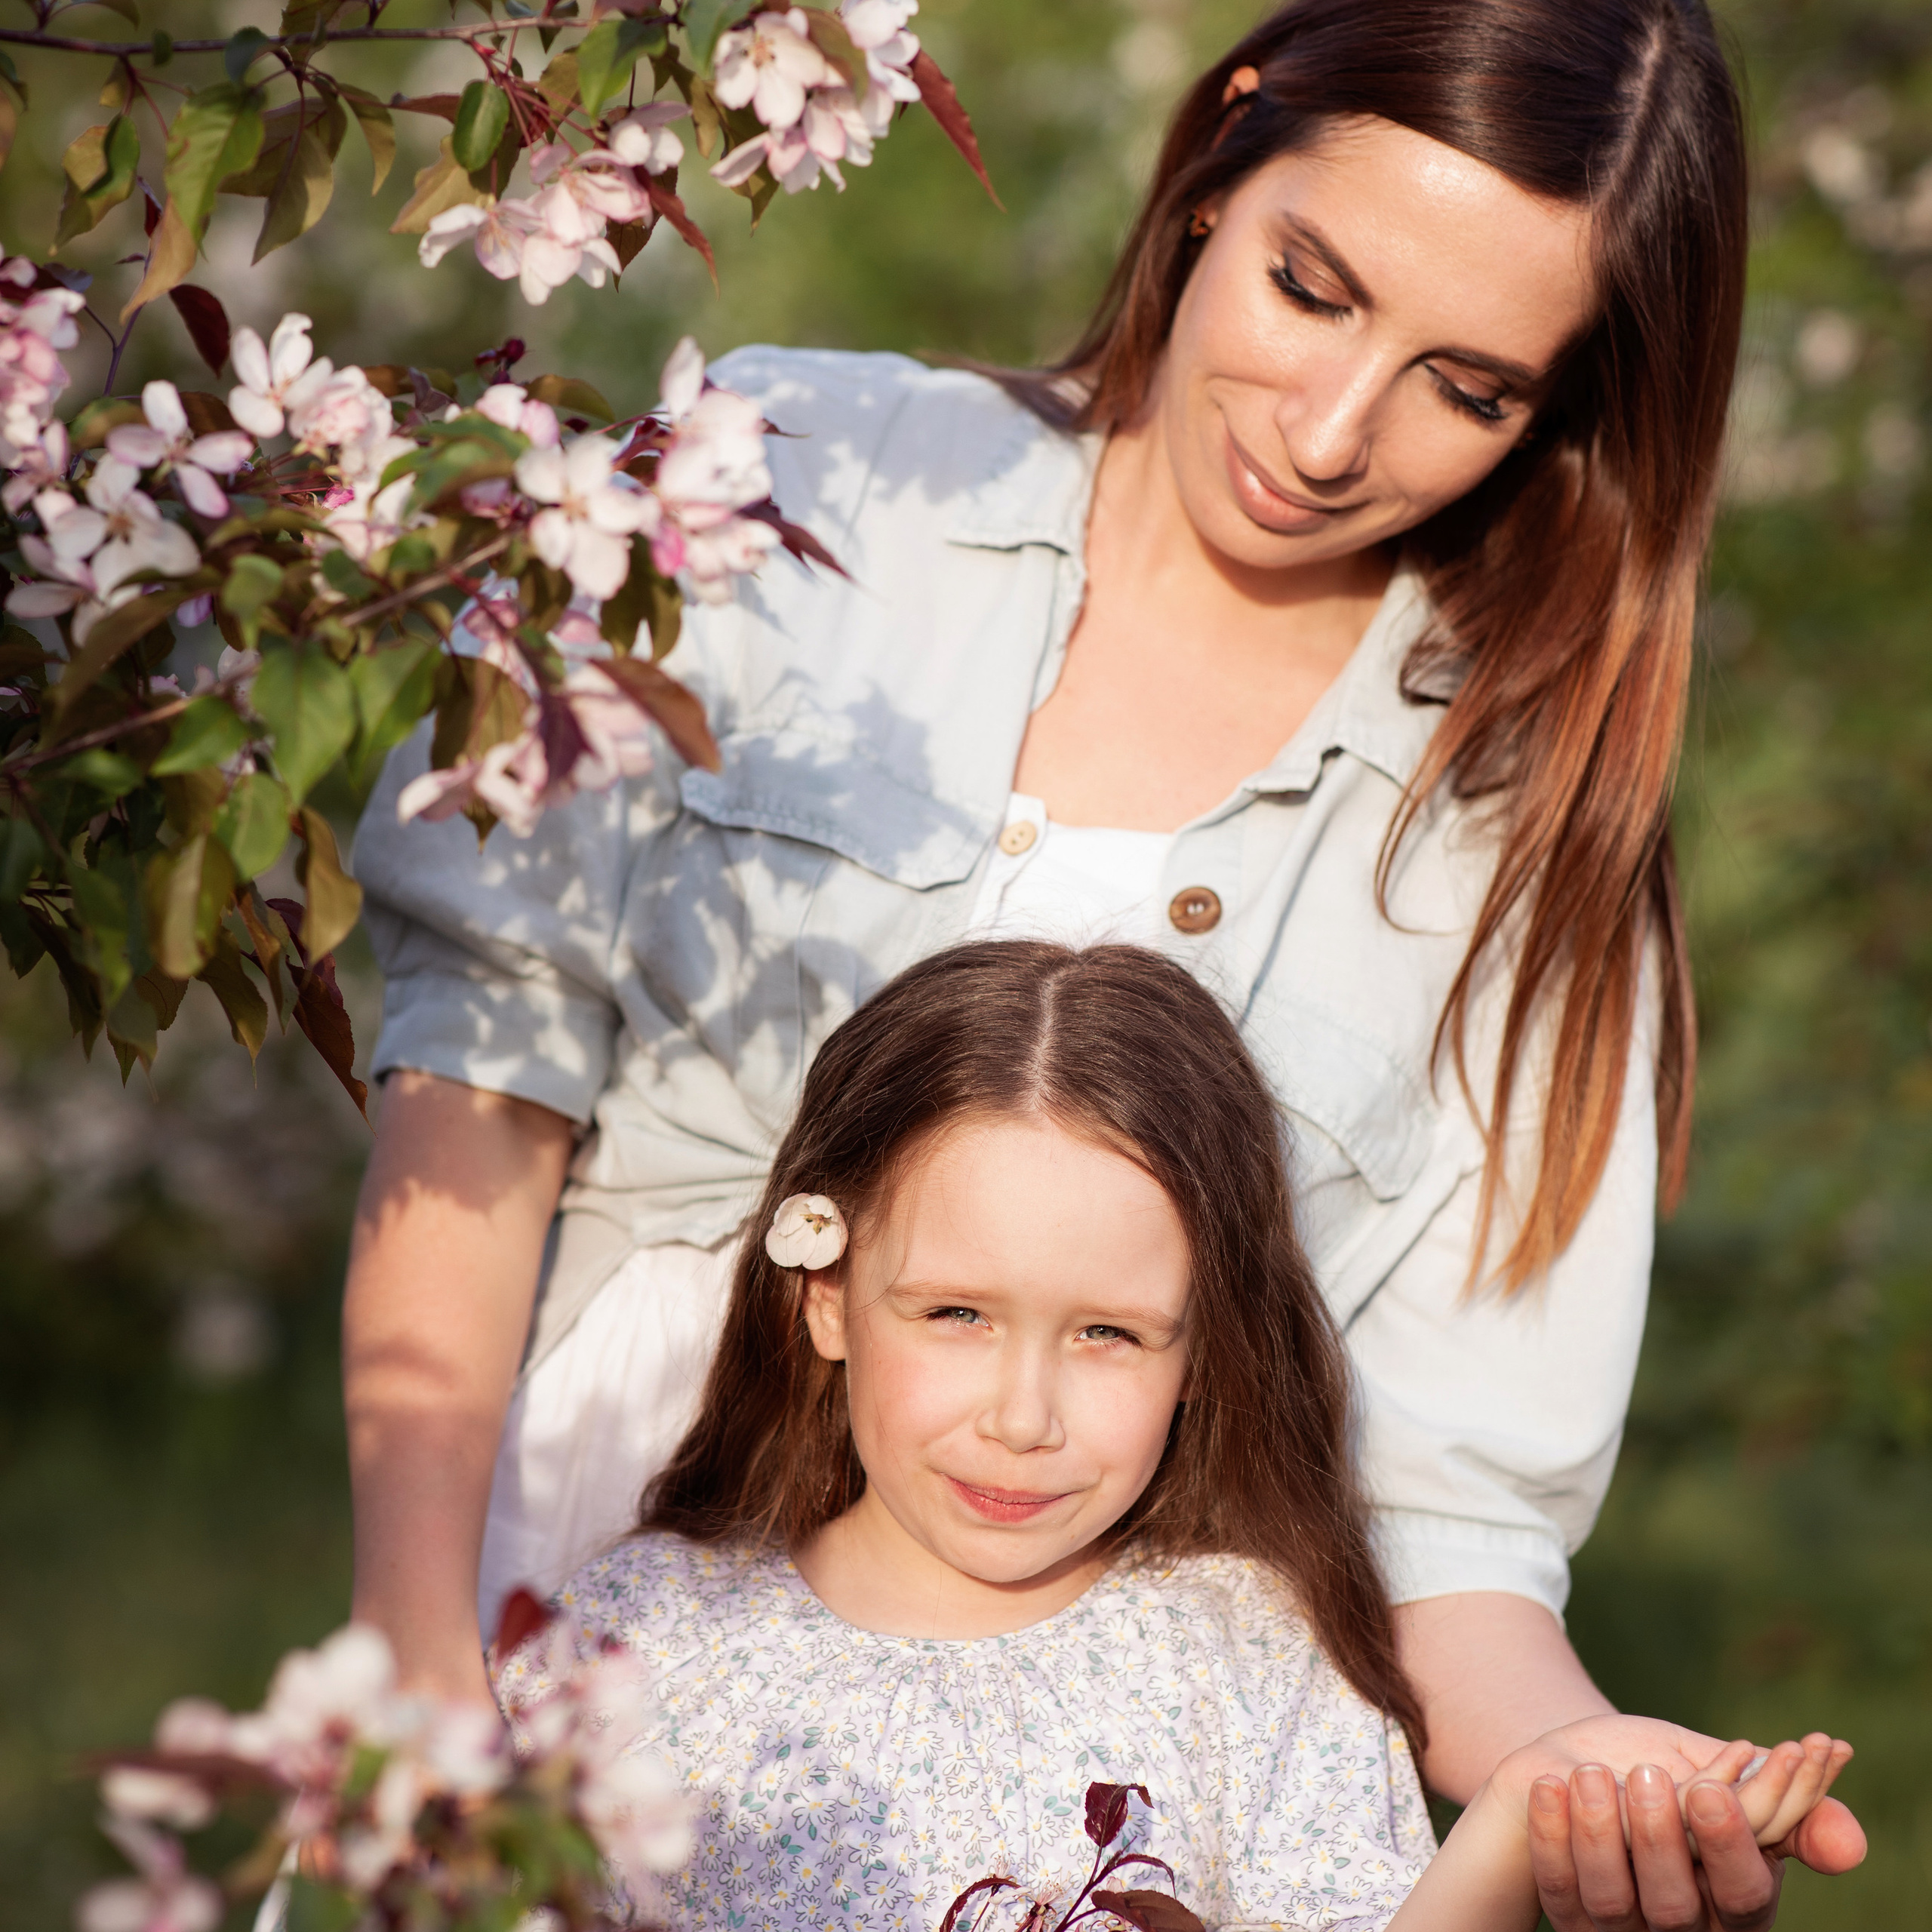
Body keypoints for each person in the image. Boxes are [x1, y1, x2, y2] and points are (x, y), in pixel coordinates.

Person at [346, 0, 1867, 1922]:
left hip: (1096, 1795)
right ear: (1221, 152)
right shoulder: (792, 474)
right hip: (576, 1639)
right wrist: (409, 1653)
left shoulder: (1524, 832)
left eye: (1465, 389)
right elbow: (482, 1063)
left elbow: (1448, 1512)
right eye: (1312, 288)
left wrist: (1585, 1771)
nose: (1330, 435)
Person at [497, 940, 1850, 1932]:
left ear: (1205, 1351)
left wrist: (1520, 1814)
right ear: (827, 1295)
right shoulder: (627, 1648)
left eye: (1109, 1336)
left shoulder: (1251, 1655)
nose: (1022, 1418)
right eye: (957, 1313)